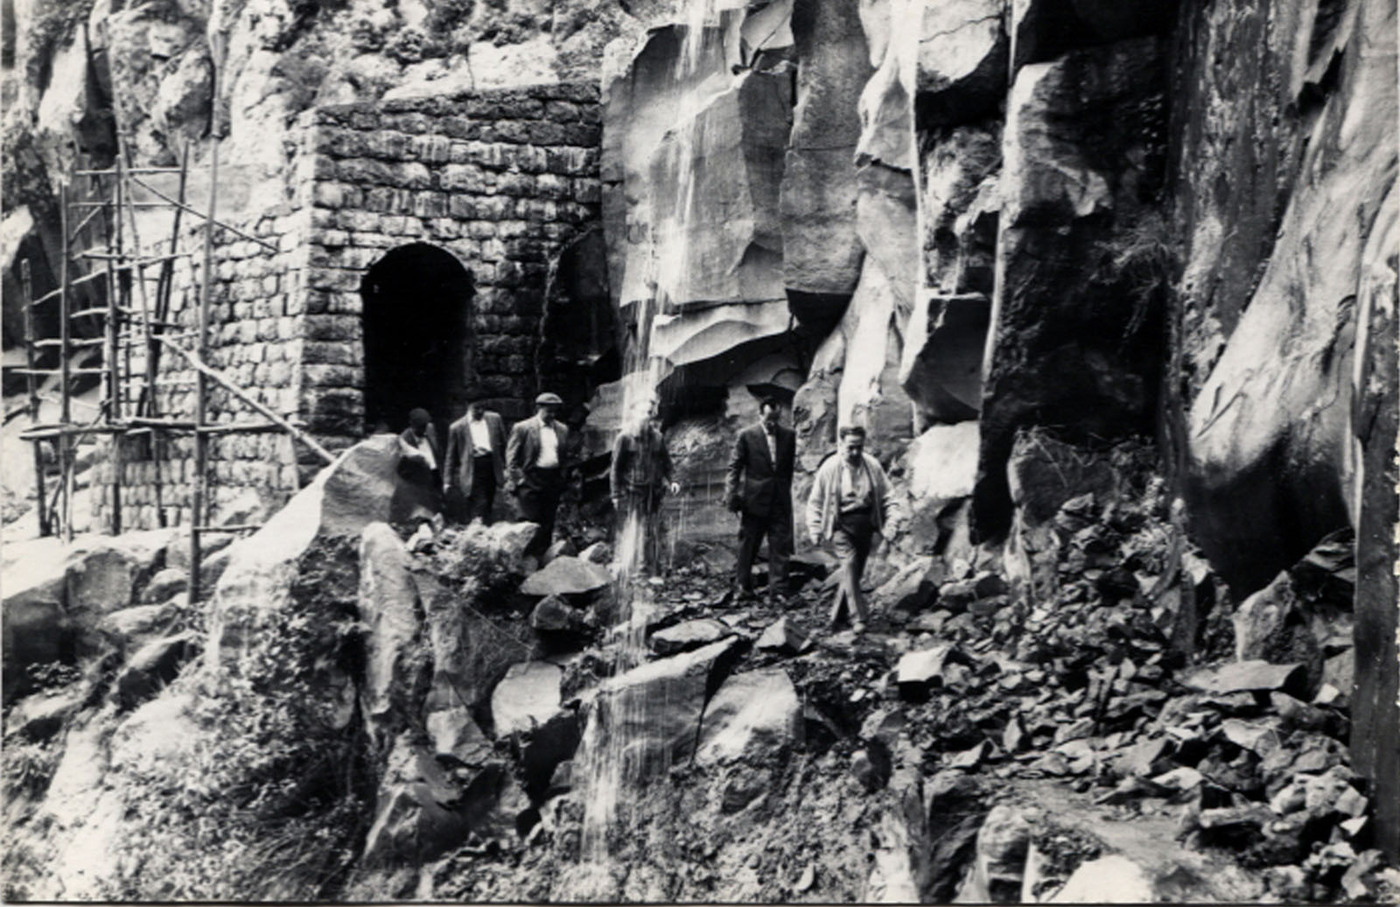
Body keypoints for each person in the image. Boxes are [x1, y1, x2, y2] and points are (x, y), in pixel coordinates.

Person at [806, 425, 892, 634]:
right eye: (850, 447)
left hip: (865, 525)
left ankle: (837, 617)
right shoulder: (829, 468)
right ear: (840, 444)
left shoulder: (872, 465)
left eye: (859, 447)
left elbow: (888, 495)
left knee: (853, 572)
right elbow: (815, 501)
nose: (855, 452)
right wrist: (815, 529)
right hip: (840, 525)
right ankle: (858, 618)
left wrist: (891, 524)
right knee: (850, 563)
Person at [725, 397, 796, 603]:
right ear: (759, 415)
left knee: (780, 545)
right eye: (768, 419)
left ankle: (779, 591)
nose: (772, 424)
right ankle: (743, 587)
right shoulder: (746, 436)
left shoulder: (789, 436)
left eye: (776, 419)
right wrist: (731, 494)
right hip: (754, 501)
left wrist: (785, 492)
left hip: (780, 500)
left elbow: (788, 469)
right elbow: (734, 467)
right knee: (748, 545)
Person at [610, 396, 679, 574]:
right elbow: (616, 468)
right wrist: (615, 494)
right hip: (632, 490)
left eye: (648, 412)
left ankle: (652, 565)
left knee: (652, 526)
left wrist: (673, 481)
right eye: (641, 412)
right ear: (633, 413)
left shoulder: (657, 438)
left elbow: (667, 463)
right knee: (636, 527)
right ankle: (635, 566)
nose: (645, 416)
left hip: (653, 490)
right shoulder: (624, 438)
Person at [506, 392, 571, 558]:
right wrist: (519, 479)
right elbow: (511, 458)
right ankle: (527, 559)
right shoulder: (523, 428)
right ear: (539, 408)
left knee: (548, 520)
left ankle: (544, 559)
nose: (552, 415)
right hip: (530, 478)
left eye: (555, 411)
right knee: (530, 520)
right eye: (549, 411)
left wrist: (561, 477)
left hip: (552, 479)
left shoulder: (562, 429)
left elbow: (564, 456)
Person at [444, 397, 507, 525]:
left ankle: (485, 528)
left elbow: (504, 445)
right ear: (468, 406)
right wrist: (447, 481)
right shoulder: (457, 427)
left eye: (482, 408)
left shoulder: (495, 419)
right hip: (473, 468)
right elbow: (450, 456)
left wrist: (507, 466)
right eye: (476, 408)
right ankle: (478, 527)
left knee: (489, 499)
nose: (480, 411)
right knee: (479, 502)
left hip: (491, 465)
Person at [398, 407, 442, 492]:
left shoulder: (430, 428)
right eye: (421, 426)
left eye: (425, 425)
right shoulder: (404, 439)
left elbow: (438, 450)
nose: (424, 430)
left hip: (437, 473)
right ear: (412, 424)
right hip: (421, 480)